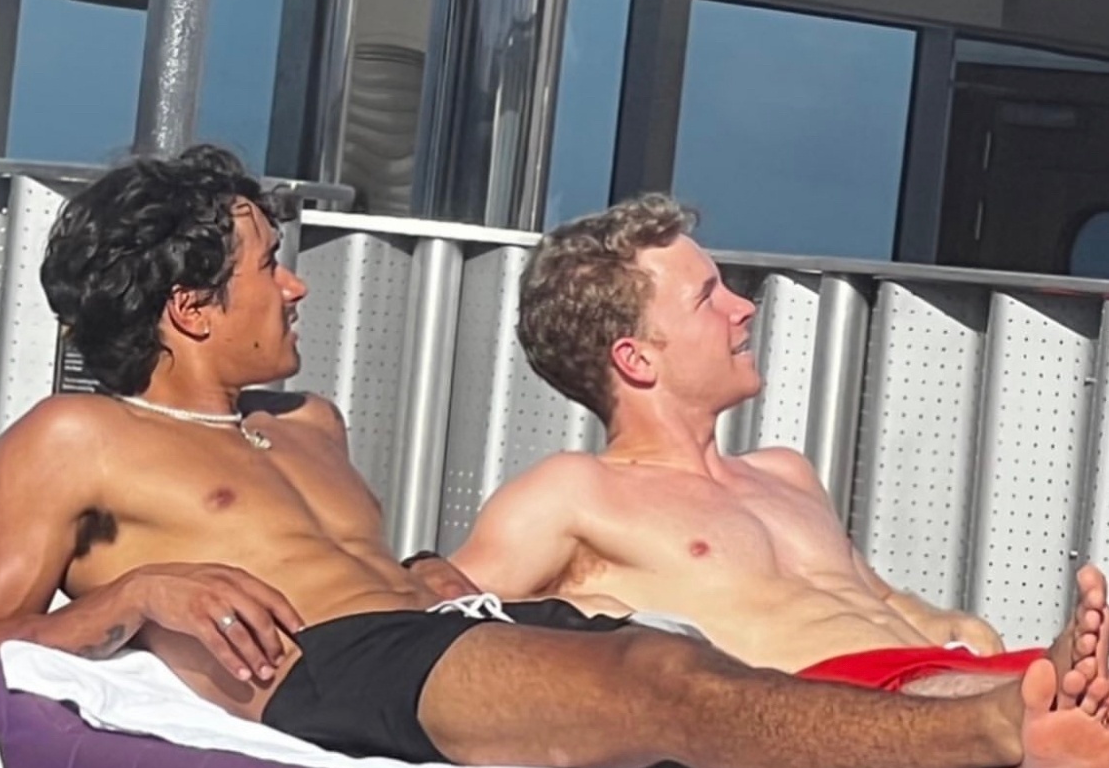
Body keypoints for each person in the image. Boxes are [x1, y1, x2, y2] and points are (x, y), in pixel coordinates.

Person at [0, 148, 1107, 768]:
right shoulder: (76, 436)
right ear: (191, 308)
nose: (297, 289)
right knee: (661, 684)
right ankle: (1005, 717)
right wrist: (135, 595)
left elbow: (366, 565)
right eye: (268, 268)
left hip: (439, 634)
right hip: (324, 671)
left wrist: (428, 571)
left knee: (711, 716)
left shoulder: (308, 424)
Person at [453, 194, 1108, 706]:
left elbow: (878, 600)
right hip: (841, 708)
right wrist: (583, 628)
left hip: (953, 681)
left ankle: (1057, 691)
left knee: (1062, 686)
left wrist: (941, 621)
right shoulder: (575, 491)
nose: (743, 307)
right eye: (707, 298)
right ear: (637, 358)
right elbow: (439, 617)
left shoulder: (784, 473)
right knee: (1059, 701)